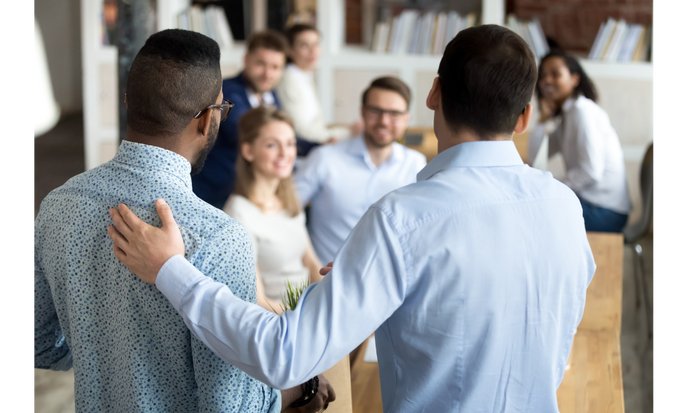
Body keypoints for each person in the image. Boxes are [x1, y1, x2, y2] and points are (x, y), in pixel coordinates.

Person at [107, 25, 596, 412]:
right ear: (525, 117)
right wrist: (383, 286)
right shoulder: (565, 206)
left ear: (433, 93)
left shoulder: (403, 220)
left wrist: (170, 270)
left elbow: (284, 355)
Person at [31, 29, 333, 412]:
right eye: (222, 109)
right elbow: (231, 406)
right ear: (207, 120)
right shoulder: (218, 237)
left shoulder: (57, 205)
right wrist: (302, 390)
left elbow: (39, 343)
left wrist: (103, 350)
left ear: (128, 102)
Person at [293, 76, 426, 265]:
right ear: (362, 112)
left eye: (394, 114)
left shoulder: (416, 164)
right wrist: (310, 264)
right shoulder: (324, 158)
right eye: (376, 111)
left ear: (407, 119)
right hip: (327, 276)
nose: (384, 121)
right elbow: (285, 212)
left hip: (390, 277)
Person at [224, 107, 323, 314]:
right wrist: (307, 317)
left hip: (309, 308)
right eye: (272, 145)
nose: (285, 153)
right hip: (280, 321)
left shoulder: (289, 199)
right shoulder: (239, 214)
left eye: (290, 144)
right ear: (248, 151)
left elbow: (311, 264)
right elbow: (257, 301)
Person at [527, 50, 632, 232]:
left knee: (536, 213)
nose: (547, 81)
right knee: (534, 208)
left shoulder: (583, 112)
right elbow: (535, 157)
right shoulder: (568, 115)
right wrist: (543, 118)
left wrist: (551, 186)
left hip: (606, 211)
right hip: (591, 203)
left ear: (574, 79)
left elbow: (591, 172)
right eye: (543, 76)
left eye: (555, 74)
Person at [191, 30, 288, 210]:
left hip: (246, 190)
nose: (267, 74)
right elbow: (249, 133)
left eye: (275, 67)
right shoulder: (226, 92)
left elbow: (278, 133)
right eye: (261, 64)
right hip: (215, 193)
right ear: (246, 60)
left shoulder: (271, 95)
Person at [276, 24, 361, 145]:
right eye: (304, 45)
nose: (313, 51)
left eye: (316, 44)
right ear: (290, 50)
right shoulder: (289, 79)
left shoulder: (305, 75)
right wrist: (348, 133)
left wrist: (349, 128)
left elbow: (317, 125)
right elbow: (300, 131)